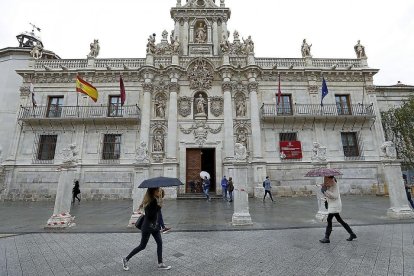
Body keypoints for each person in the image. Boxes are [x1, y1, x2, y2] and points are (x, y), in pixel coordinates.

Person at [122, 188, 171, 271]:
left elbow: (155, 214)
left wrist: (159, 203)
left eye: (159, 191)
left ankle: (160, 263)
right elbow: (150, 215)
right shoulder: (151, 201)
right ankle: (126, 259)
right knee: (142, 246)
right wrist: (158, 207)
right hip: (147, 227)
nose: (159, 192)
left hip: (154, 227)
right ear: (153, 192)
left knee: (159, 243)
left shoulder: (154, 200)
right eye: (158, 191)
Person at [319, 176, 357, 243]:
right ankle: (352, 234)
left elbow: (335, 196)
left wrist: (325, 190)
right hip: (332, 205)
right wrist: (324, 189)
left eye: (326, 179)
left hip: (335, 206)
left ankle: (326, 237)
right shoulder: (330, 184)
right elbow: (329, 195)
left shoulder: (334, 184)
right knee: (339, 220)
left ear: (330, 178)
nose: (325, 180)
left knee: (329, 219)